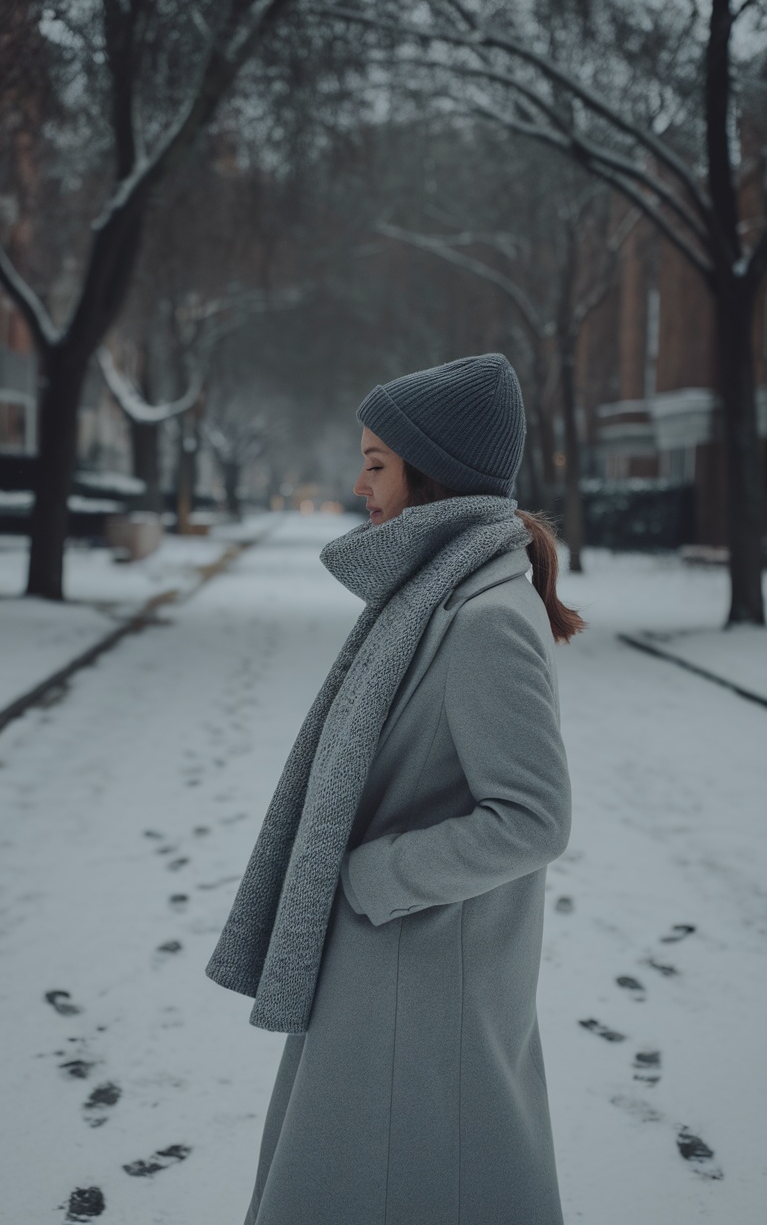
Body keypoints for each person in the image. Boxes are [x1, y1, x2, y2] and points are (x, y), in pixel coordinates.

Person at [206, 353, 585, 1225]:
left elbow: (533, 819)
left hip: (421, 977)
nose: (359, 482)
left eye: (377, 463)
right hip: (399, 975)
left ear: (435, 475)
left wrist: (374, 879)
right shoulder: (435, 591)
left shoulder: (484, 617)